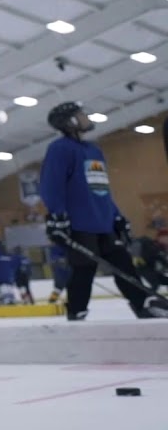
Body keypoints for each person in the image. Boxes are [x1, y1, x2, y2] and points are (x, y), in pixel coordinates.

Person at [40, 101, 168, 321]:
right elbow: (52, 186)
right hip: (80, 224)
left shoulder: (93, 150)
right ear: (69, 122)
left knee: (124, 265)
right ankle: (76, 311)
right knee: (84, 268)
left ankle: (142, 305)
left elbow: (101, 189)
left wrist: (117, 216)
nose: (85, 117)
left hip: (104, 222)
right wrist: (57, 216)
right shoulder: (59, 149)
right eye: (80, 114)